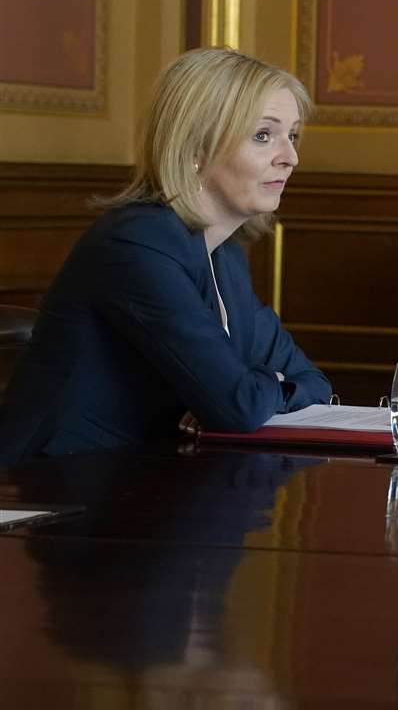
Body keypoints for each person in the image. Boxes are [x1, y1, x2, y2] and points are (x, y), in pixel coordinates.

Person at [0, 48, 332, 464]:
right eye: (263, 135)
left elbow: (313, 382)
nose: (291, 156)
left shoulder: (224, 253)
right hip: (45, 493)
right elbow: (238, 407)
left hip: (138, 483)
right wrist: (256, 388)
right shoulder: (138, 244)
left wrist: (253, 387)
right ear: (196, 149)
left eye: (293, 135)